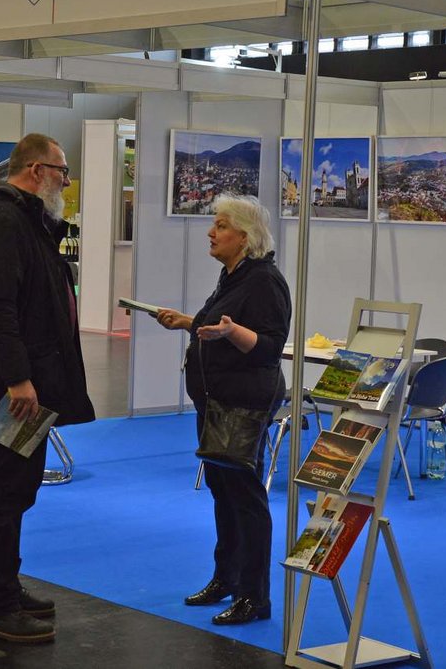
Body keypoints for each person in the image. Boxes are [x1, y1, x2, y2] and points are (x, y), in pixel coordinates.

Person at [0, 133, 95, 644]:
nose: (66, 183)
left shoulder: (22, 219)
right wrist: (18, 378)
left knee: (17, 489)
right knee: (5, 493)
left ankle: (5, 587)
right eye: (63, 172)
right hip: (10, 391)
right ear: (36, 171)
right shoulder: (5, 220)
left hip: (23, 387)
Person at [155, 194, 291, 626]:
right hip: (214, 402)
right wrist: (188, 322)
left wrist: (234, 333)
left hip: (244, 403)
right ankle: (225, 578)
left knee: (245, 497)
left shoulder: (265, 281)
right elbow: (216, 326)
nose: (211, 233)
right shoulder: (230, 276)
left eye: (220, 226)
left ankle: (255, 596)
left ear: (244, 237)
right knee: (222, 491)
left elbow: (269, 347)